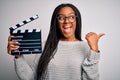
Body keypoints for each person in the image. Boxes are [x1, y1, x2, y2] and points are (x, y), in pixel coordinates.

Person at [7, 3, 104, 80]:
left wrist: (94, 50)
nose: (66, 21)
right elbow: (31, 78)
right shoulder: (46, 45)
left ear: (76, 20)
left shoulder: (86, 48)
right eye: (61, 17)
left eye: (71, 17)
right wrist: (18, 56)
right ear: (56, 22)